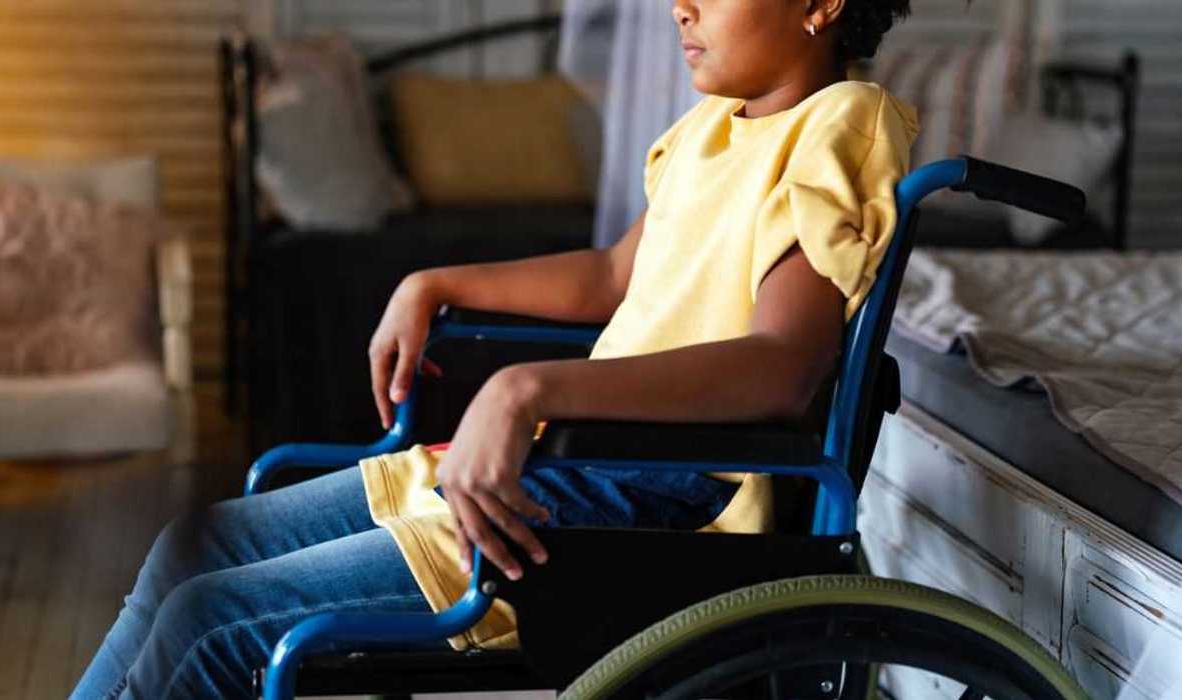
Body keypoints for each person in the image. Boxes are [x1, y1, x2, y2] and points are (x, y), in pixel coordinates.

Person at [73, 1, 918, 697]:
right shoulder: (712, 128)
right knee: (188, 548)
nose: (679, 8)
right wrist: (434, 283)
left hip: (652, 502)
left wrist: (526, 389)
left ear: (820, 5)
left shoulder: (844, 122)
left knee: (208, 621)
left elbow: (779, 365)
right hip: (574, 465)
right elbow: (613, 276)